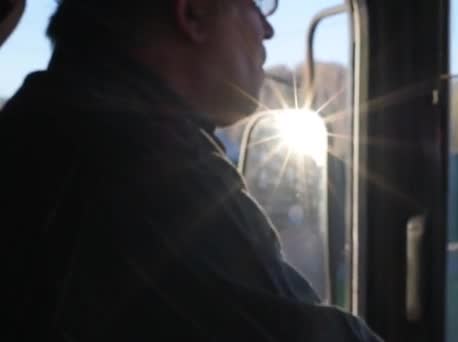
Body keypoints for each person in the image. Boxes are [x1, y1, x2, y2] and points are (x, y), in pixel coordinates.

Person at [0, 0, 382, 340]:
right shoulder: (144, 161)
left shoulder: (42, 122)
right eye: (256, 3)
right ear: (193, 12)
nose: (268, 28)